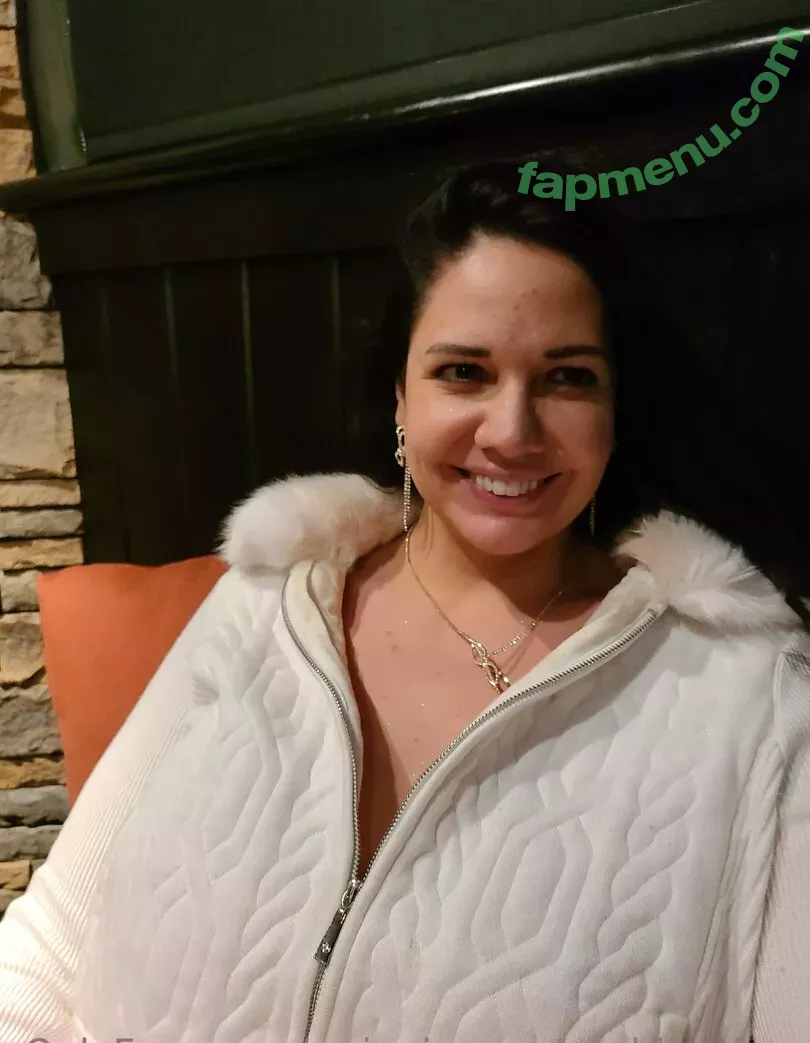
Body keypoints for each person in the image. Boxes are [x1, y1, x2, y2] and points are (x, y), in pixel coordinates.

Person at [0, 163, 808, 1043]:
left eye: (568, 377)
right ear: (400, 396)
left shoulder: (752, 696)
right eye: (464, 371)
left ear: (615, 410)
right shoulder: (263, 599)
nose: (512, 430)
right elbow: (46, 948)